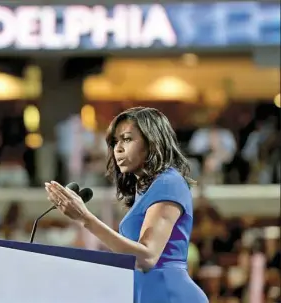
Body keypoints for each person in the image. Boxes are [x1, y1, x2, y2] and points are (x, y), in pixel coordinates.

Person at [45, 107, 208, 303]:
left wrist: (85, 218)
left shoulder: (168, 183)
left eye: (127, 139)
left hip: (169, 294)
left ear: (152, 142)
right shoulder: (145, 189)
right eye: (115, 142)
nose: (118, 148)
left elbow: (147, 257)